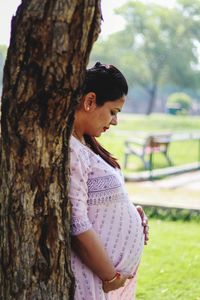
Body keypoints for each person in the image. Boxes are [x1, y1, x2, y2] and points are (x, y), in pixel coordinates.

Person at [69, 62, 149, 300]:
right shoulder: (72, 150)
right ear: (90, 101)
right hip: (94, 280)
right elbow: (77, 225)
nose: (114, 122)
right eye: (113, 112)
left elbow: (95, 202)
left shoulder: (85, 144)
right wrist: (110, 277)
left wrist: (128, 214)